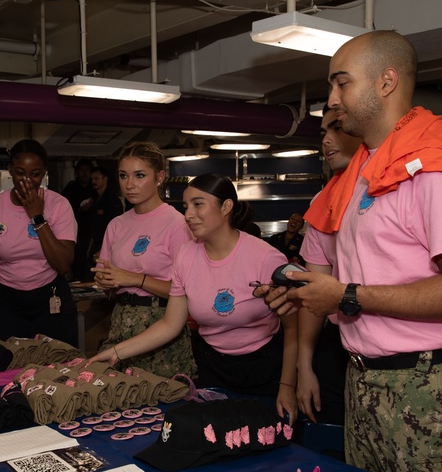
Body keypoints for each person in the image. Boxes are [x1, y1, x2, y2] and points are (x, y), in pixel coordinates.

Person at [263, 31, 442, 472]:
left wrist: (345, 295)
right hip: (366, 380)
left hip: (429, 385)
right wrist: (306, 292)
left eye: (342, 84)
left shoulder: (436, 167)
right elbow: (340, 273)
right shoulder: (363, 173)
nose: (331, 100)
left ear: (387, 82)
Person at [91, 174, 300, 421]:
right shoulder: (186, 256)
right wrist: (116, 352)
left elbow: (292, 328)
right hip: (212, 366)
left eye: (198, 204)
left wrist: (288, 386)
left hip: (263, 369)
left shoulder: (265, 257)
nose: (188, 214)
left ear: (226, 207)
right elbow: (170, 324)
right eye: (186, 206)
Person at [92, 142, 196, 379]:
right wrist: (106, 282)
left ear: (159, 177)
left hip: (161, 325)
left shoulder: (177, 224)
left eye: (139, 175)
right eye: (123, 176)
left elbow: (187, 293)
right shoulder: (116, 225)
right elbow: (108, 285)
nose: (130, 185)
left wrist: (135, 279)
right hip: (121, 321)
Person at [292, 108, 365, 427]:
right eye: (323, 133)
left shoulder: (393, 184)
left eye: (337, 129)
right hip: (339, 344)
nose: (327, 140)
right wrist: (304, 366)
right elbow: (314, 291)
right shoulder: (325, 200)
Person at [0, 139, 79, 345]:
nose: (26, 180)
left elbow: (63, 265)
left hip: (50, 299)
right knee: (11, 369)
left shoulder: (59, 205)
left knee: (57, 368)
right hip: (7, 303)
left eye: (35, 174)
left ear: (44, 172)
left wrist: (37, 216)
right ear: (10, 169)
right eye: (20, 172)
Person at [74, 164, 124, 281]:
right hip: (94, 243)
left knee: (101, 278)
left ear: (105, 179)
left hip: (106, 244)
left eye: (97, 178)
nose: (93, 181)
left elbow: (117, 229)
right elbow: (93, 228)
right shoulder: (95, 200)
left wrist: (103, 249)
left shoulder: (112, 201)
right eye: (92, 179)